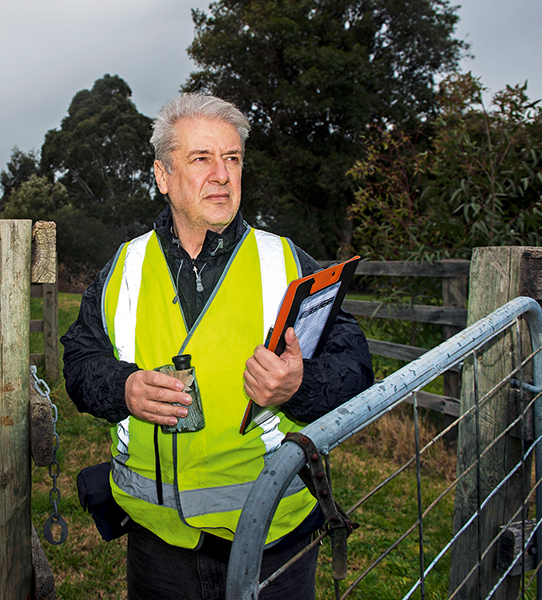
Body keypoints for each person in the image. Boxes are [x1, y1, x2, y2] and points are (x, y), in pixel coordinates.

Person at [61, 93, 373, 600]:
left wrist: (300, 384)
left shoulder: (287, 262)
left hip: (274, 539)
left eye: (232, 159)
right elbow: (79, 364)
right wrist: (124, 389)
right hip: (156, 543)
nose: (223, 175)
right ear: (162, 176)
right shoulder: (123, 267)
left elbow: (356, 368)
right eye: (202, 158)